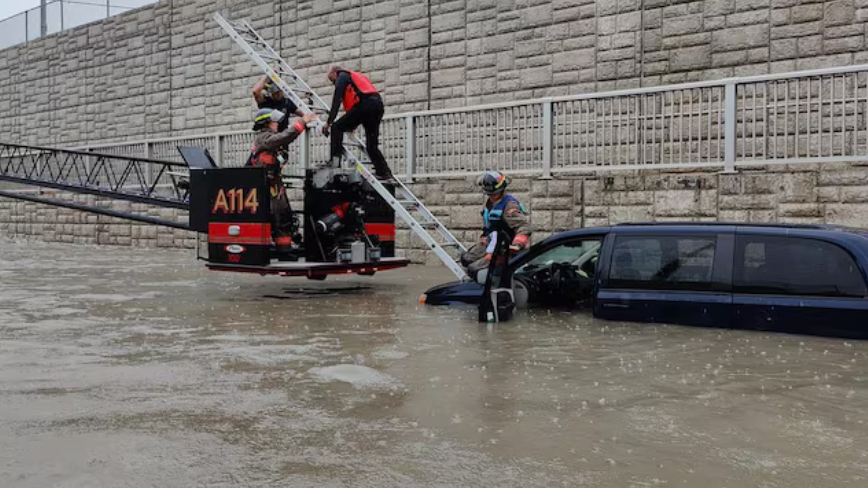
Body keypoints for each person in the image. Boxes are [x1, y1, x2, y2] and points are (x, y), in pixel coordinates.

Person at [248, 108, 318, 252]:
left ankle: (285, 247)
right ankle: (282, 250)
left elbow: (280, 150)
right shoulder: (264, 137)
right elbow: (283, 137)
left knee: (284, 214)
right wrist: (302, 123)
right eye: (274, 121)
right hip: (266, 185)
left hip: (274, 184)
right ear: (266, 123)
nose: (277, 124)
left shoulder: (271, 140)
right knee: (278, 215)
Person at [322, 66, 393, 180]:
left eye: (332, 80)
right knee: (371, 145)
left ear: (335, 73)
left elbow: (337, 99)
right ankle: (384, 172)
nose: (333, 83)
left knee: (336, 127)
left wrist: (329, 122)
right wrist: (351, 124)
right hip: (377, 106)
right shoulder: (355, 76)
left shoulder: (342, 76)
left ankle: (335, 163)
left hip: (366, 106)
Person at [460, 171, 532, 278]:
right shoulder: (490, 203)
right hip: (491, 241)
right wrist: (484, 238)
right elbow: (490, 227)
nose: (492, 196)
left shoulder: (509, 206)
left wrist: (517, 244)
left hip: (504, 247)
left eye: (494, 194)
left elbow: (524, 227)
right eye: (490, 194)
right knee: (466, 258)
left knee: (474, 269)